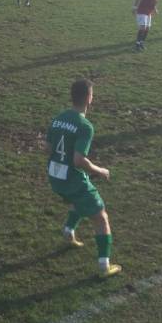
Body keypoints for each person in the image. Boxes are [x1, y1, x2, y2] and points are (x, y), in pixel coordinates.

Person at [46, 79, 121, 277]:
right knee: (101, 218)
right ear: (89, 98)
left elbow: (48, 148)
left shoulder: (58, 118)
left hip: (55, 177)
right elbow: (78, 160)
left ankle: (68, 232)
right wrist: (99, 171)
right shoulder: (85, 126)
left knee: (77, 200)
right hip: (73, 179)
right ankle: (104, 266)